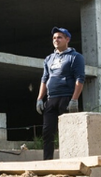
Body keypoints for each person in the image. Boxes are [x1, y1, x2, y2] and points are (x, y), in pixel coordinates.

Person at [35, 27, 86, 161]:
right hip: (51, 99)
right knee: (47, 132)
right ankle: (48, 161)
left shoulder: (75, 57)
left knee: (68, 132)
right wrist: (40, 99)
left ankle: (71, 160)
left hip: (67, 98)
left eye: (59, 37)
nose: (56, 40)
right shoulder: (49, 59)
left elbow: (80, 79)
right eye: (54, 38)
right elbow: (44, 79)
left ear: (67, 39)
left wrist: (74, 99)